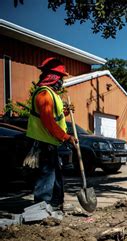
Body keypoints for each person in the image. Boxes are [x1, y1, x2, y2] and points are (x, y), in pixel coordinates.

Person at [26, 57, 77, 211]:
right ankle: (40, 209)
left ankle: (56, 204)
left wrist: (66, 112)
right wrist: (66, 137)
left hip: (51, 142)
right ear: (53, 77)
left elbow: (56, 116)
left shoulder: (52, 94)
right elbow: (48, 122)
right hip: (42, 142)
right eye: (61, 78)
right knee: (46, 177)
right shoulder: (44, 94)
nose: (62, 81)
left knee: (55, 175)